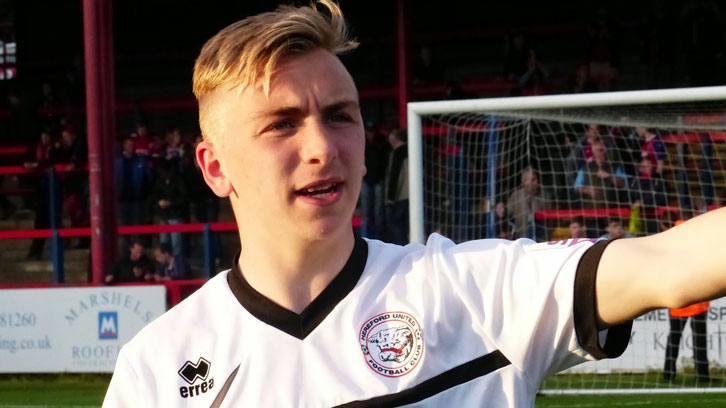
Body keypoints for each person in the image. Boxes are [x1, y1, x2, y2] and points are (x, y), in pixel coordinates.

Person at [104, 2, 726, 407]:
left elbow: (666, 263)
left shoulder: (474, 295)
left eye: (340, 116)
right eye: (281, 125)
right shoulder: (157, 371)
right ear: (215, 168)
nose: (323, 147)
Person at [663, 219, 710, 383]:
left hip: (682, 302)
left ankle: (668, 374)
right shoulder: (696, 247)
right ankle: (702, 375)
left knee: (676, 338)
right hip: (696, 301)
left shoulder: (672, 250)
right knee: (699, 339)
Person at [573, 140, 627, 208]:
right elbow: (576, 187)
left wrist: (609, 177)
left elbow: (624, 184)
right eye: (601, 150)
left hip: (611, 210)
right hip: (591, 210)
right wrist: (587, 190)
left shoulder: (615, 167)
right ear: (594, 152)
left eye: (606, 150)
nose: (605, 152)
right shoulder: (585, 168)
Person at [507, 167, 552, 241]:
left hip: (541, 239)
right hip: (521, 239)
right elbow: (508, 213)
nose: (536, 182)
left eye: (536, 179)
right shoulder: (516, 196)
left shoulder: (545, 195)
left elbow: (549, 220)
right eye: (533, 179)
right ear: (525, 182)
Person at [384, 128, 409, 245]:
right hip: (411, 196)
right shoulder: (412, 150)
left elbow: (394, 175)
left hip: (400, 197)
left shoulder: (398, 153)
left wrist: (390, 198)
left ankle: (401, 248)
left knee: (394, 224)